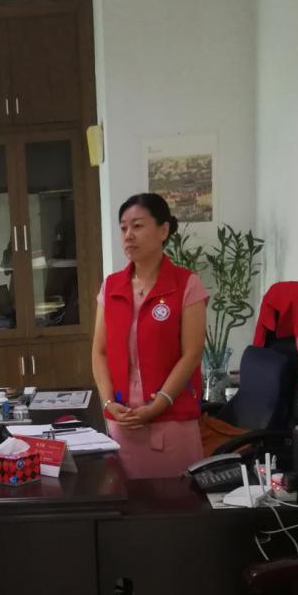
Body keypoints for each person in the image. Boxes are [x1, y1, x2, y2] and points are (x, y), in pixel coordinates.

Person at [92, 193, 208, 479]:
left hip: (171, 422)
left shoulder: (186, 284)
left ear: (163, 230)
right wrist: (108, 403)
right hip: (122, 423)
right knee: (124, 500)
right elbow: (99, 351)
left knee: (175, 501)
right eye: (123, 228)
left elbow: (192, 353)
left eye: (137, 226)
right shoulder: (111, 287)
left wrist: (158, 405)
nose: (128, 236)